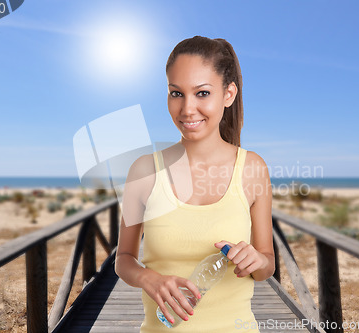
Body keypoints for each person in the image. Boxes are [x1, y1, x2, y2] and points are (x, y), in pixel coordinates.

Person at [115, 35, 275, 332]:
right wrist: (148, 278)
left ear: (228, 95)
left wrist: (255, 260)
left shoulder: (253, 168)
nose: (187, 109)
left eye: (202, 93)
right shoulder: (144, 171)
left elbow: (267, 266)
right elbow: (123, 259)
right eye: (176, 94)